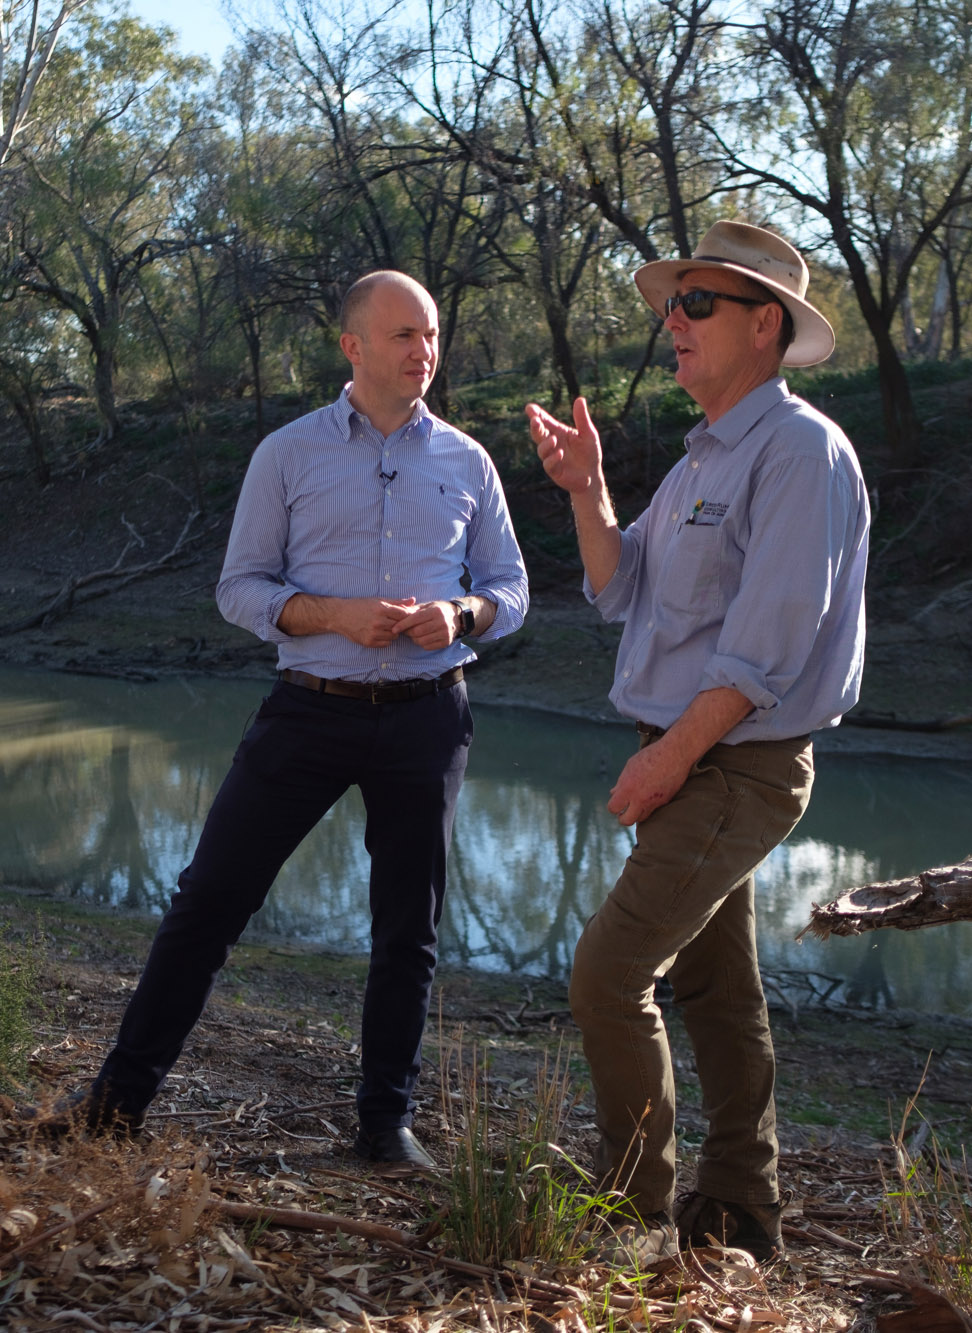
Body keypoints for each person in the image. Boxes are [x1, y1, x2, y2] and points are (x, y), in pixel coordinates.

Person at [67, 270, 529, 1168]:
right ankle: (116, 1104)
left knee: (409, 931)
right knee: (206, 902)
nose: (422, 352)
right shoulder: (287, 453)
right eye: (402, 335)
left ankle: (383, 1125)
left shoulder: (469, 460)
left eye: (430, 334)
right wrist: (333, 614)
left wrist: (460, 618)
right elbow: (239, 588)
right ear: (352, 346)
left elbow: (510, 590)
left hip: (430, 715)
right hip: (309, 710)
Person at [525, 221, 869, 1263]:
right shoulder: (703, 456)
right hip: (695, 756)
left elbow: (765, 650)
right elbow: (617, 583)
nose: (672, 321)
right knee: (719, 990)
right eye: (672, 303)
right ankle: (738, 1219)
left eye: (698, 303)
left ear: (765, 325)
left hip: (732, 761)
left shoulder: (801, 452)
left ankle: (630, 1227)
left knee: (608, 973)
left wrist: (669, 756)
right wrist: (587, 490)